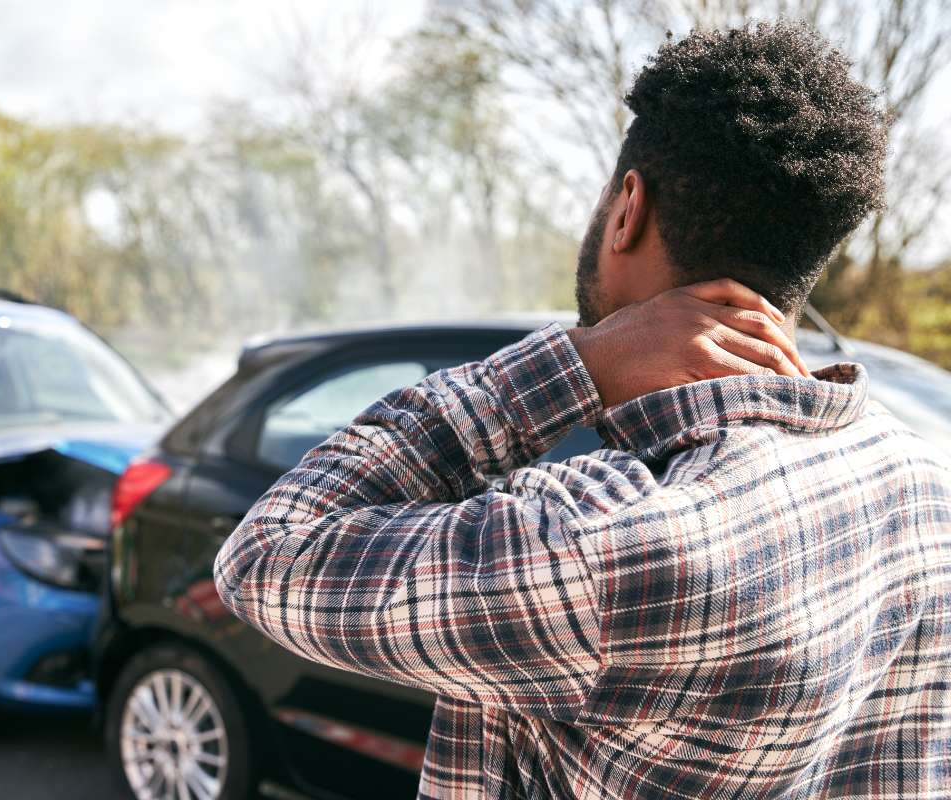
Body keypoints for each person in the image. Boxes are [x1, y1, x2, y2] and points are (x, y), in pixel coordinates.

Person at [215, 21, 951, 799]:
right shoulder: (925, 484)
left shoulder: (603, 543)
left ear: (627, 207)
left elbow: (268, 553)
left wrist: (576, 362)